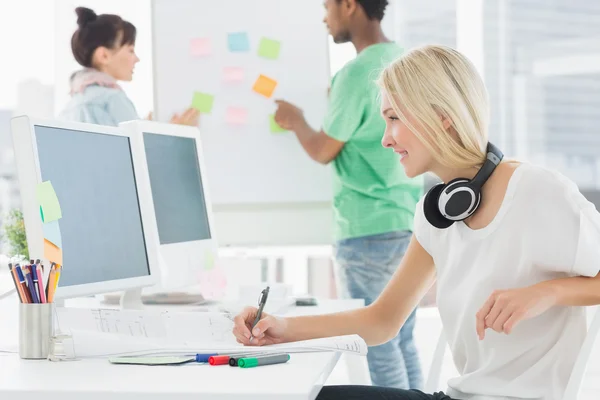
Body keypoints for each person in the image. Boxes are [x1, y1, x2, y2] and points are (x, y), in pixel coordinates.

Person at [233, 44, 600, 400]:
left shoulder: (537, 191)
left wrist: (549, 293)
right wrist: (281, 328)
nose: (385, 139)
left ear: (440, 114)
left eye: (394, 118)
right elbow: (382, 320)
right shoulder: (435, 211)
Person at [273, 0, 423, 389]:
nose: (325, 18)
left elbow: (324, 149)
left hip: (366, 229)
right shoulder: (403, 61)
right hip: (406, 223)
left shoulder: (357, 73)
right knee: (403, 339)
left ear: (349, 5)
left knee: (375, 343)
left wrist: (296, 120)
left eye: (327, 7)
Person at [60, 7, 198, 126]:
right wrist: (175, 133)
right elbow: (138, 151)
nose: (136, 59)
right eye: (131, 50)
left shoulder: (71, 106)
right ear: (104, 56)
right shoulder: (113, 100)